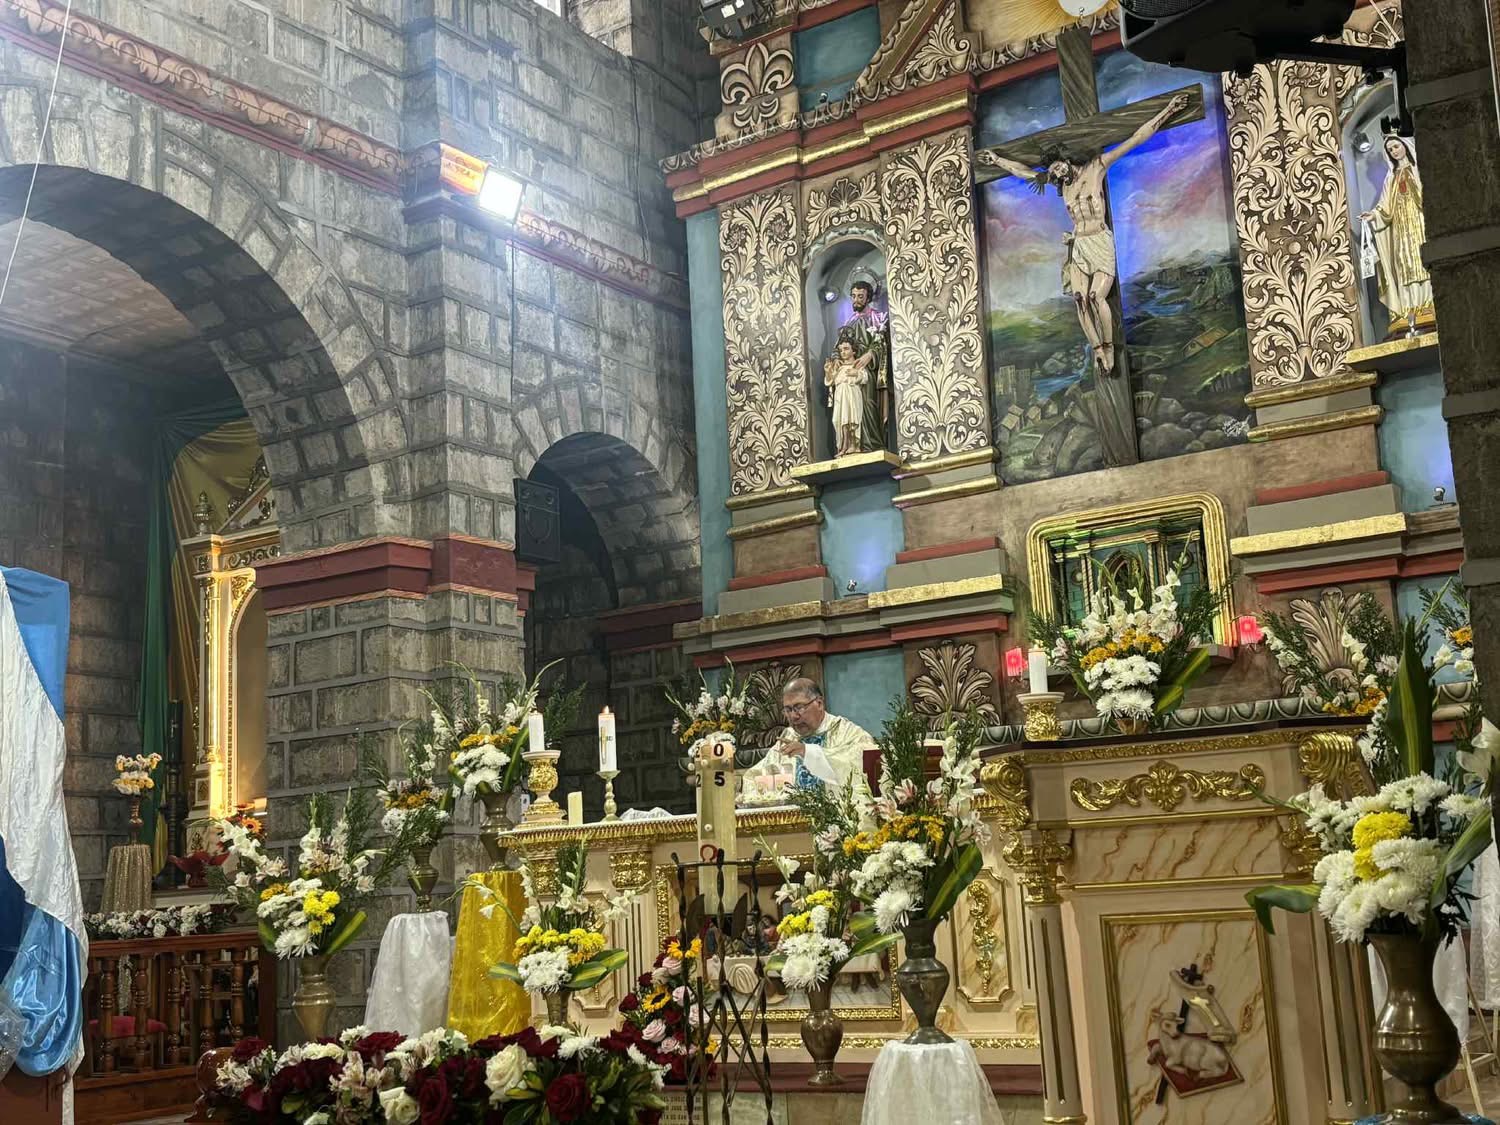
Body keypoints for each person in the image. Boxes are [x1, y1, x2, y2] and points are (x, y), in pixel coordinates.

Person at [742, 678, 876, 797]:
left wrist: (808, 752)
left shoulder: (848, 733)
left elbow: (864, 772)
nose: (794, 716)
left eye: (799, 707)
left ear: (819, 703)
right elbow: (754, 777)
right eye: (788, 710)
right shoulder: (788, 737)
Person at [1361, 135, 1433, 333]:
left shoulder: (1419, 169)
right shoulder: (1390, 178)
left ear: (1405, 146)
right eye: (1391, 149)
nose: (1394, 151)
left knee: (1422, 260)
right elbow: (1385, 206)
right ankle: (1409, 308)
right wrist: (1373, 214)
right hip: (1401, 229)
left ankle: (1429, 304)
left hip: (1419, 222)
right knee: (1403, 262)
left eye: (1396, 146)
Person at [823, 334, 868, 457]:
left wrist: (856, 374)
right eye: (841, 350)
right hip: (840, 398)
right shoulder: (838, 368)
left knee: (852, 420)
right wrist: (828, 372)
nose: (843, 352)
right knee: (840, 420)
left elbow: (864, 378)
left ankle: (854, 445)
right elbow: (829, 381)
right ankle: (843, 446)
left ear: (853, 350)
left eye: (846, 349)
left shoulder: (857, 366)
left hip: (852, 396)